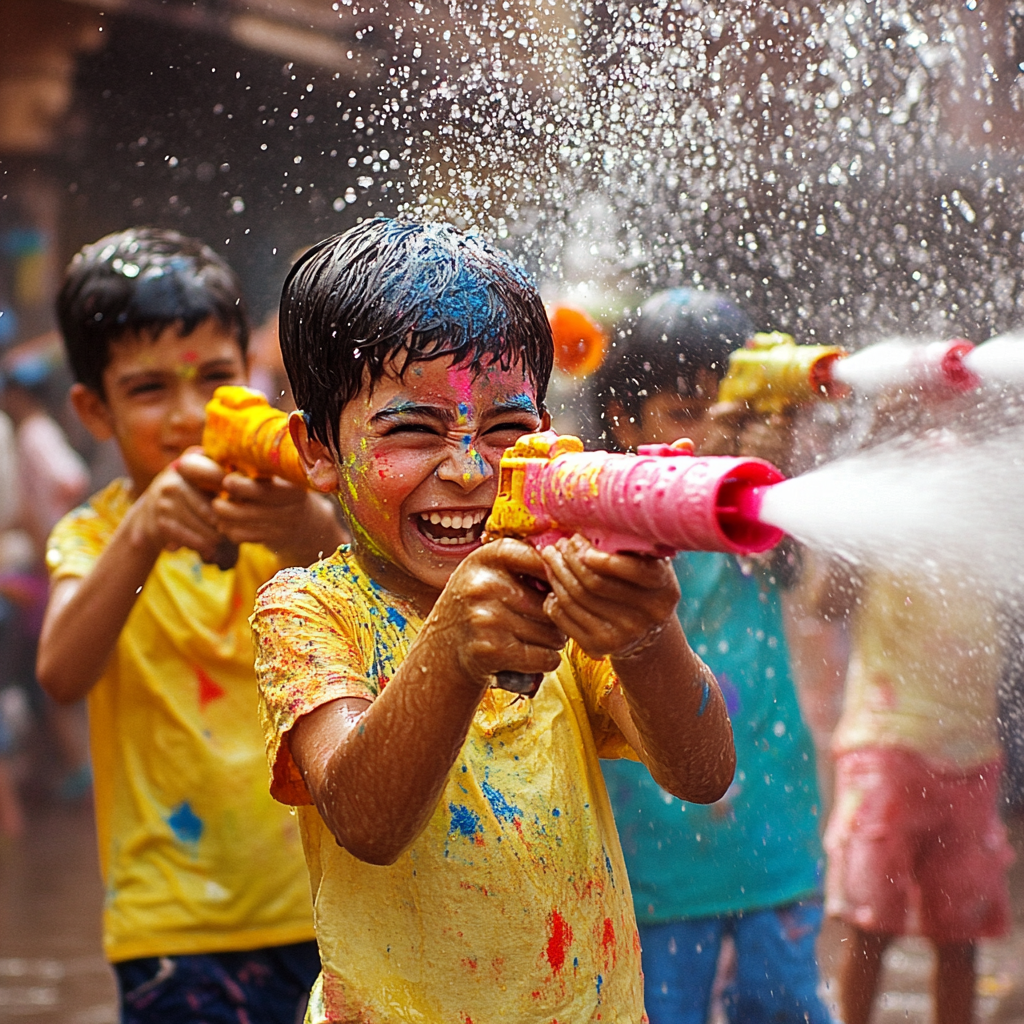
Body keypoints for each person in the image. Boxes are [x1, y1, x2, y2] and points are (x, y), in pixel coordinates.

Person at [250, 219, 737, 1024]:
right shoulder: (309, 610)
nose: (470, 470)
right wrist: (453, 648)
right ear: (318, 450)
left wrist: (648, 633)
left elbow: (702, 773)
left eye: (507, 430)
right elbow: (365, 822)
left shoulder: (559, 583)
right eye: (411, 430)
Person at [37, 228, 344, 1023]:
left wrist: (307, 525)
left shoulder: (279, 511)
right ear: (92, 410)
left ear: (249, 375)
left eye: (214, 378)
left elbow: (375, 615)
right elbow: (61, 675)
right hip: (170, 924)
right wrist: (141, 533)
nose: (187, 415)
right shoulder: (96, 537)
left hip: (324, 902)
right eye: (148, 391)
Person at [594, 288, 833, 1024]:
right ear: (624, 422)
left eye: (739, 415)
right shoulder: (606, 520)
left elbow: (805, 574)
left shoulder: (763, 510)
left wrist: (774, 466)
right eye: (688, 413)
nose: (719, 438)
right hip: (658, 857)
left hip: (772, 833)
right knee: (664, 1011)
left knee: (785, 1002)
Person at [816, 390, 1013, 1024]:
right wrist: (872, 461)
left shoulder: (993, 543)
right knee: (870, 927)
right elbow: (826, 602)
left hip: (971, 752)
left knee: (960, 939)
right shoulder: (888, 531)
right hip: (886, 746)